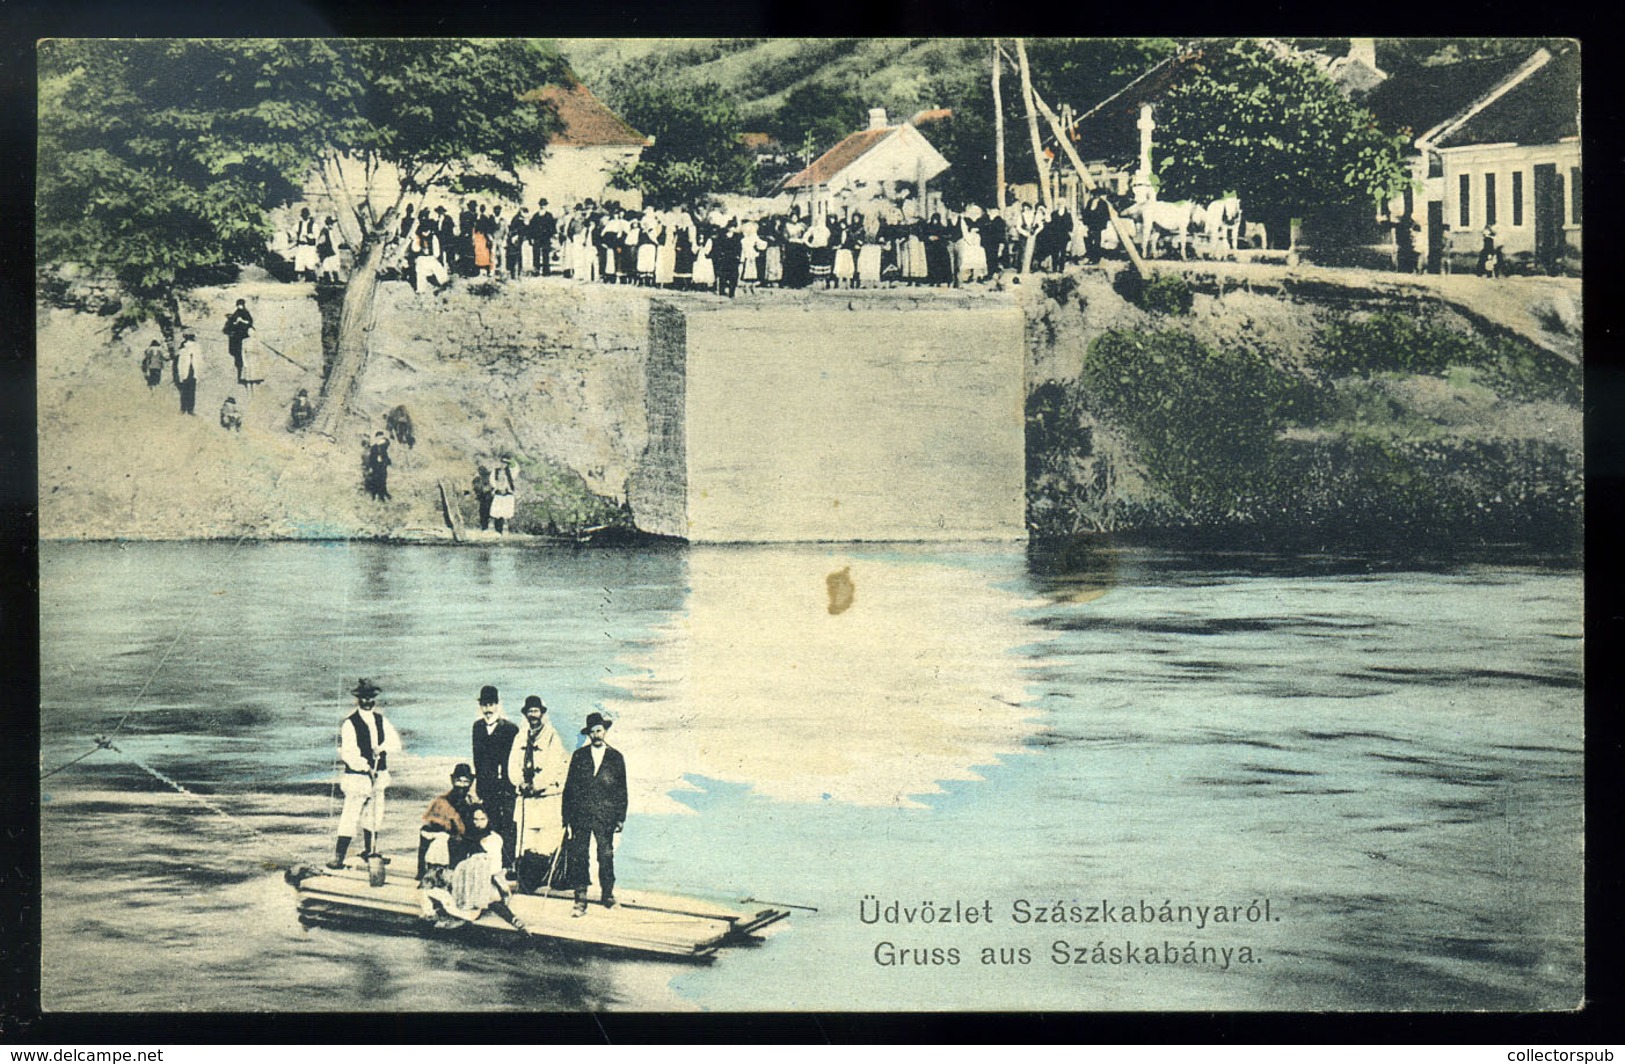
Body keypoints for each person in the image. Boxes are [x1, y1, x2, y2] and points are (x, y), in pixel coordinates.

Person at [561, 711, 628, 916]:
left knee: (605, 855)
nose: (596, 735)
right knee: (579, 855)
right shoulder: (579, 756)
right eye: (592, 732)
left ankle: (607, 894)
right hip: (580, 815)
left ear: (605, 731)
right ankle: (580, 899)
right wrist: (566, 817)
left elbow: (621, 790)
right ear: (588, 734)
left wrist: (620, 817)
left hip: (605, 815)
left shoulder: (616, 757)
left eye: (599, 731)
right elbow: (569, 787)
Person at [331, 678, 401, 870]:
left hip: (378, 777)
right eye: (364, 698)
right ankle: (339, 857)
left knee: (374, 815)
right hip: (358, 778)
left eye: (371, 698)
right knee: (350, 816)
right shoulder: (350, 724)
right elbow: (348, 753)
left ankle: (370, 852)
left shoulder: (381, 720)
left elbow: (395, 743)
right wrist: (364, 766)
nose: (368, 702)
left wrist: (382, 747)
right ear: (358, 700)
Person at [420, 806, 526, 931]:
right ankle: (444, 915)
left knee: (490, 896)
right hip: (474, 879)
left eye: (482, 819)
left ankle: (513, 920)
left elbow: (497, 866)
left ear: (489, 819)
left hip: (489, 878)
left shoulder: (494, 839)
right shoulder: (469, 838)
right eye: (475, 819)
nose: (478, 823)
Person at [508, 695, 569, 890]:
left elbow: (553, 766)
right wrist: (519, 782)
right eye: (530, 711)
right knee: (526, 839)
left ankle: (539, 879)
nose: (533, 715)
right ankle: (526, 880)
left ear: (542, 713)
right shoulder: (520, 736)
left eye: (536, 711)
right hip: (526, 800)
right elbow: (513, 764)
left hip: (545, 799)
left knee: (544, 840)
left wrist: (536, 784)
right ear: (525, 714)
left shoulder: (552, 736)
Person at [471, 685, 520, 870]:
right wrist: (479, 788)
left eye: (491, 704)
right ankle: (489, 866)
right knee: (488, 825)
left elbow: (515, 761)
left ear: (498, 705)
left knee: (507, 826)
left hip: (507, 788)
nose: (488, 709)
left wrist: (510, 785)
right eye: (484, 705)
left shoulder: (510, 729)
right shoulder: (477, 727)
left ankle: (508, 867)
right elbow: (477, 759)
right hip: (486, 788)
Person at [418, 762, 477, 880]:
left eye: (466, 782)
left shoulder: (471, 800)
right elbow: (432, 826)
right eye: (459, 781)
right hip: (448, 840)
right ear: (453, 781)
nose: (462, 785)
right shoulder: (442, 801)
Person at [223, 299, 254, 384]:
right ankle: (240, 377)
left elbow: (250, 323)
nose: (240, 306)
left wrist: (242, 321)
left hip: (244, 340)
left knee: (245, 359)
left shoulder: (246, 313)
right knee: (238, 359)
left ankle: (246, 376)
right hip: (235, 340)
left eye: (241, 305)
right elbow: (227, 328)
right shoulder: (235, 314)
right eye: (238, 305)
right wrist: (234, 324)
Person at [171, 330, 200, 416]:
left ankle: (186, 409)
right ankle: (187, 409)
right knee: (190, 392)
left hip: (190, 372)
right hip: (188, 372)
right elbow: (181, 363)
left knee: (186, 392)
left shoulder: (192, 348)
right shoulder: (185, 349)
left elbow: (198, 361)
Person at [489, 456, 517, 535]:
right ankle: (497, 530)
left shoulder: (511, 472)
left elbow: (515, 469)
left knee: (507, 513)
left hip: (508, 494)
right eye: (502, 463)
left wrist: (508, 488)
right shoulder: (495, 471)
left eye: (506, 463)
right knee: (497, 512)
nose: (503, 465)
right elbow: (492, 481)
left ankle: (507, 530)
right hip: (499, 493)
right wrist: (496, 487)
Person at [362, 431, 391, 501]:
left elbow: (387, 443)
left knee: (383, 479)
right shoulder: (374, 447)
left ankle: (383, 494)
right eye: (379, 438)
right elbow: (372, 458)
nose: (380, 439)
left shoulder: (384, 446)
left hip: (382, 466)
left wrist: (386, 462)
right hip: (376, 466)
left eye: (381, 438)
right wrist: (371, 467)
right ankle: (375, 495)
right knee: (376, 480)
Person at [471, 463, 494, 531]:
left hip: (489, 498)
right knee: (484, 514)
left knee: (488, 513)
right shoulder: (477, 479)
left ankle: (486, 528)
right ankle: (485, 528)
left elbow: (493, 486)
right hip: (484, 499)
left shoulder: (489, 477)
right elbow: (476, 488)